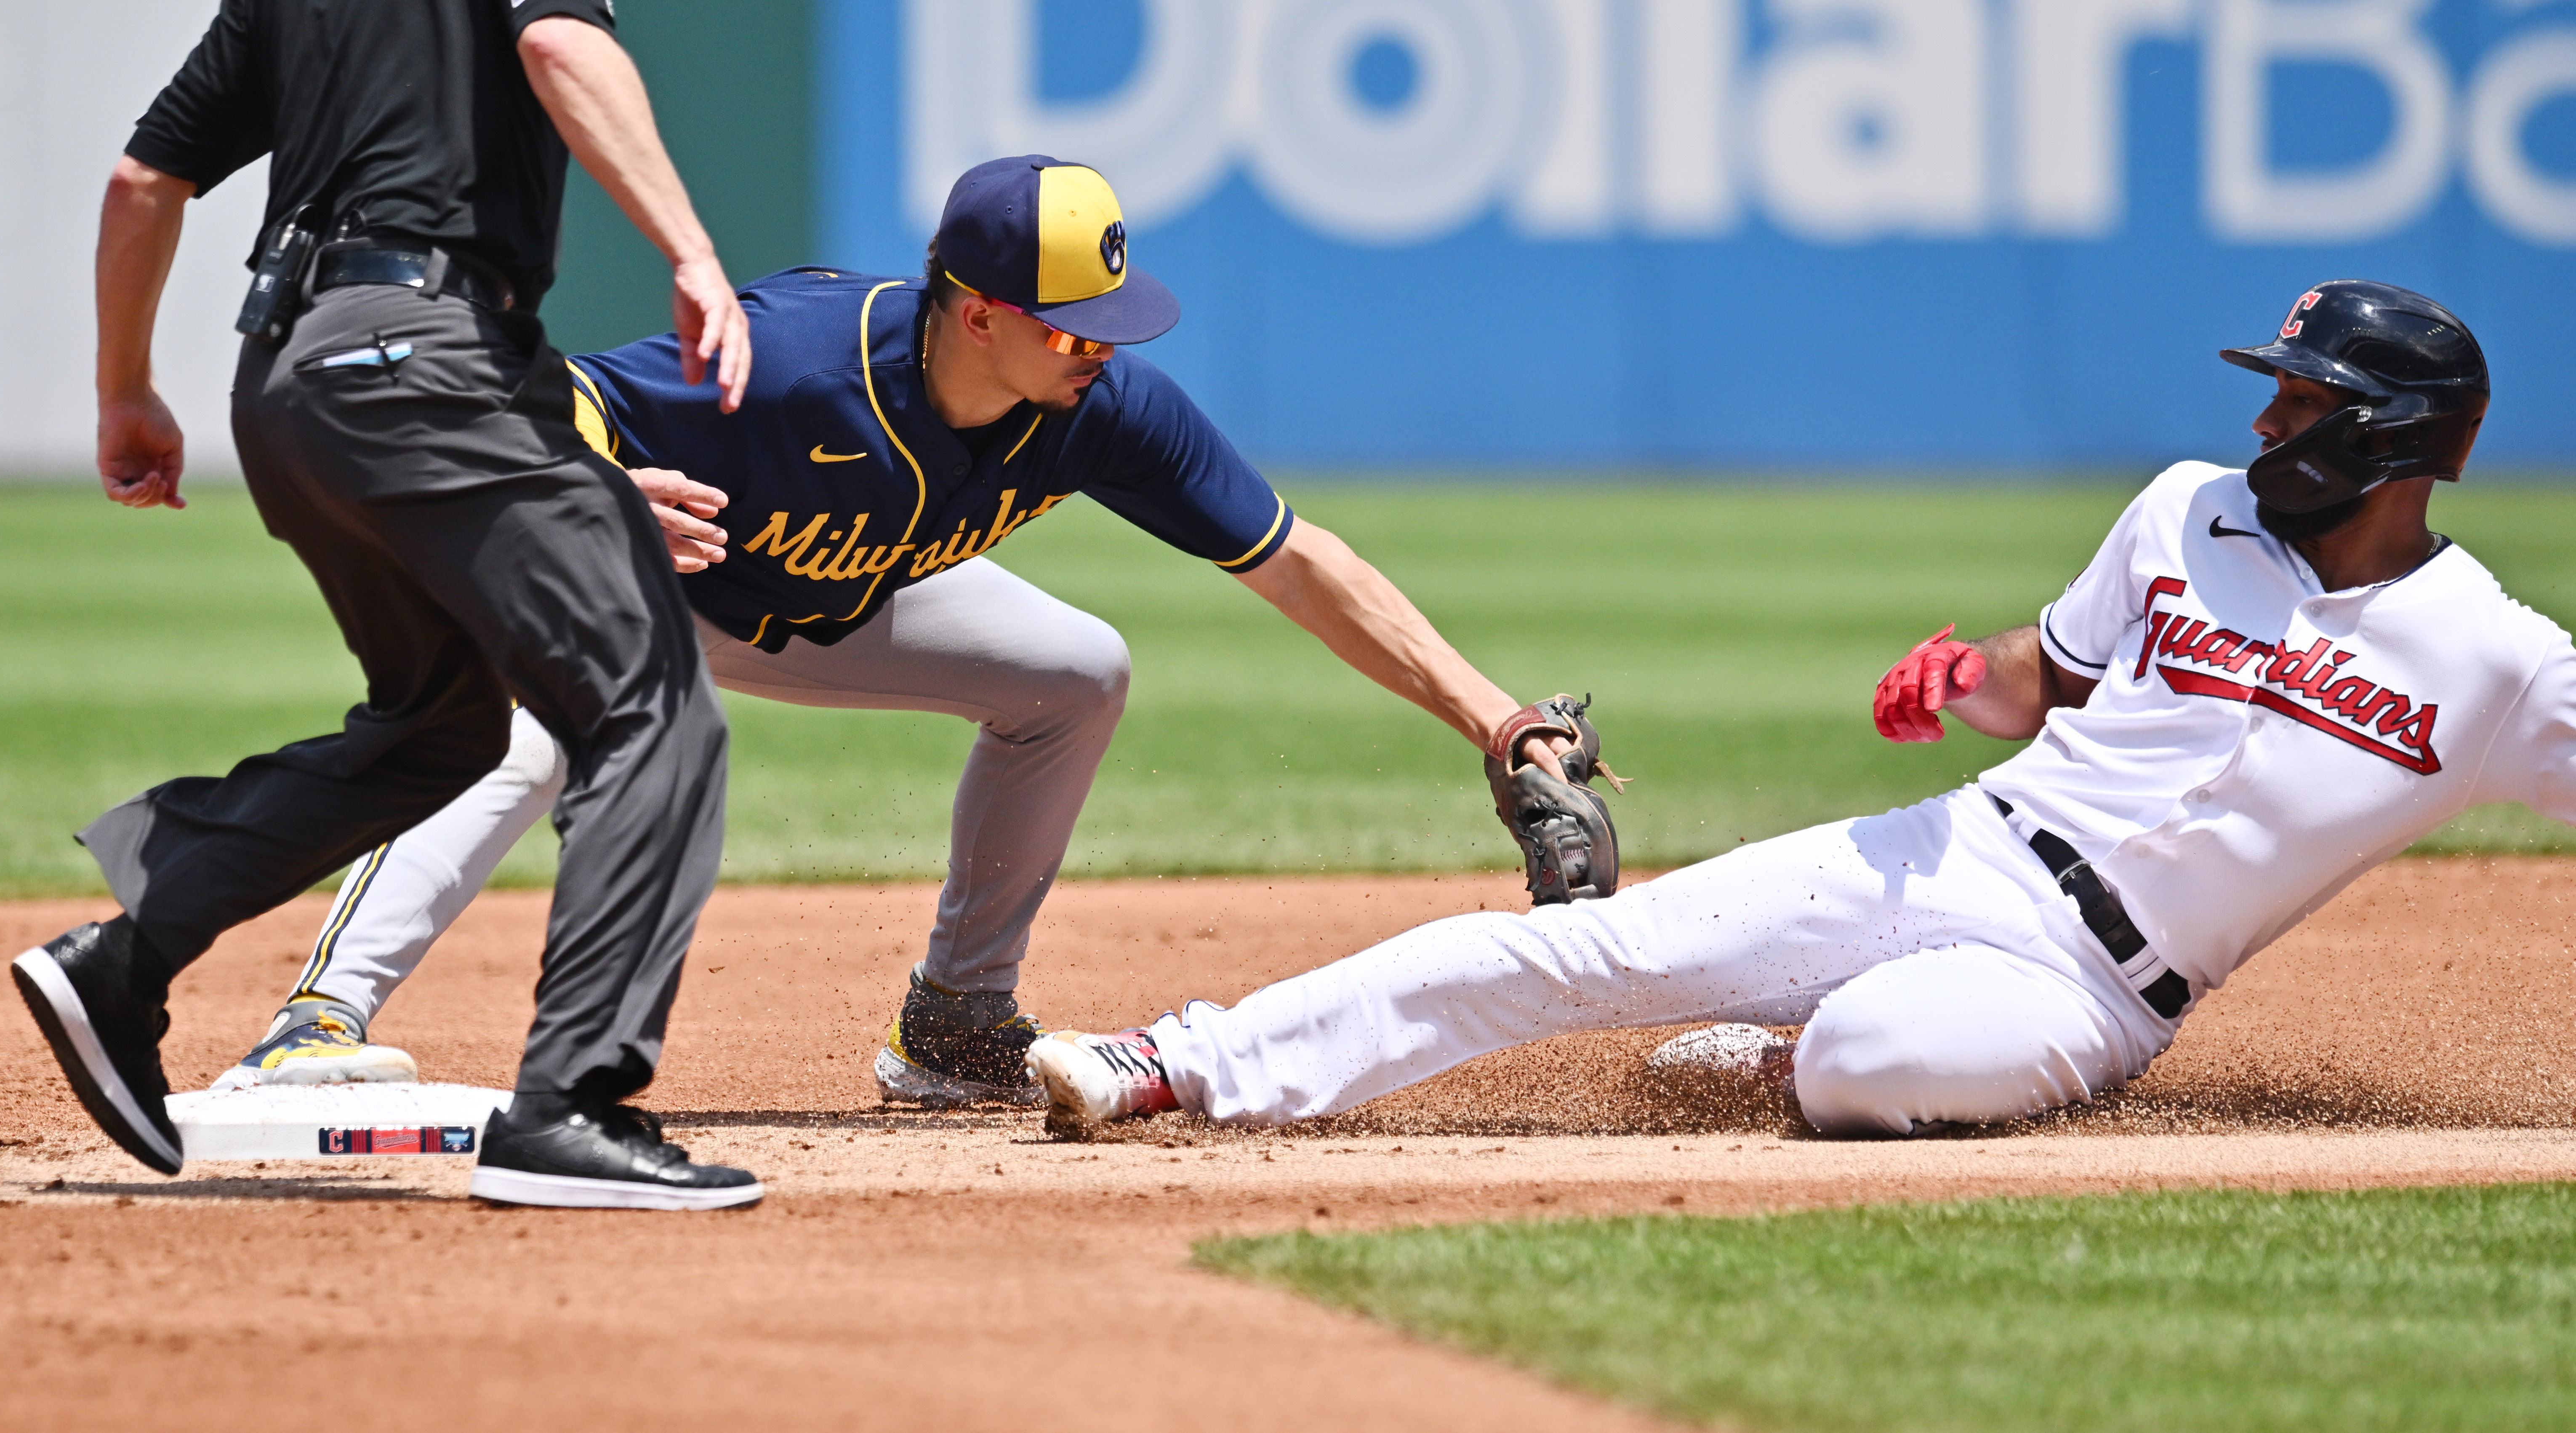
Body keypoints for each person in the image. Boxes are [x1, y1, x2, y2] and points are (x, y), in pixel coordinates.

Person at [1024, 280, 2576, 1137]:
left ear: (2388, 435)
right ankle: (1180, 1058)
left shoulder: (2494, 657)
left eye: (2300, 399)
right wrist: (1959, 682)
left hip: (2096, 988)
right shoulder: (2184, 506)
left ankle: (1784, 1047)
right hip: (1952, 847)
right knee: (1579, 951)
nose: (2267, 424)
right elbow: (2037, 679)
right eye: (2272, 393)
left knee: (1858, 1066)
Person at [213, 153, 1607, 1109]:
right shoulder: (799, 359)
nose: (1101, 348)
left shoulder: (1097, 411)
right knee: (533, 721)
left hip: (828, 602)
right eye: (1071, 327)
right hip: (652, 591)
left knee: (1074, 671)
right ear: (982, 310)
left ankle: (952, 1020)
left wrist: (1494, 715)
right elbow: (552, 391)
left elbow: (1303, 564)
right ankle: (312, 1026)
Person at [9, 0, 767, 1210]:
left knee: (443, 723)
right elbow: (563, 41)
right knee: (647, 698)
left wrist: (123, 390)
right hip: (429, 354)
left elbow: (146, 177)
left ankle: (124, 959)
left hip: (287, 377)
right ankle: (574, 1107)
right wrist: (694, 246)